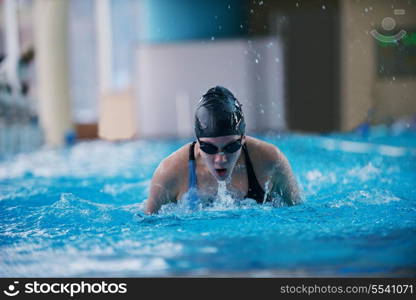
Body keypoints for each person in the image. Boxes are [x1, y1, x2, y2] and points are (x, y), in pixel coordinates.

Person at [145, 86, 302, 214]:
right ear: (198, 142)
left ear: (243, 138)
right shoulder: (170, 172)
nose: (220, 159)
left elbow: (298, 215)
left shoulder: (270, 161)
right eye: (209, 148)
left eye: (231, 147)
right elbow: (148, 229)